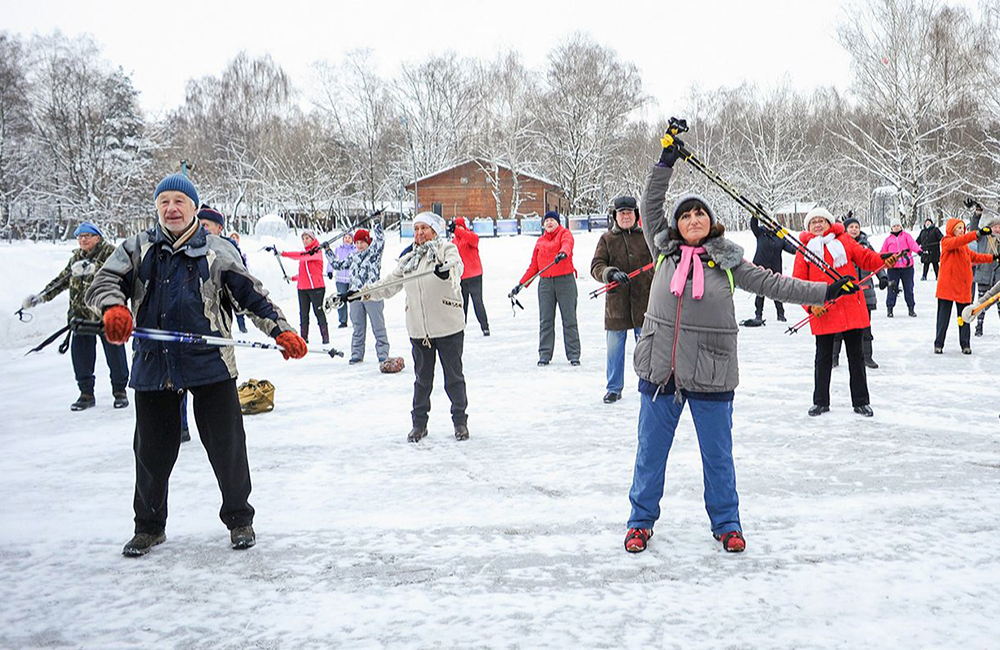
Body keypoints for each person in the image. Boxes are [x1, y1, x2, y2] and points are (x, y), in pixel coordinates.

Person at [623, 136, 848, 555]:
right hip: (661, 371)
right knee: (649, 455)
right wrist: (664, 162)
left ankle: (727, 524)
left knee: (719, 458)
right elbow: (651, 202)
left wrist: (824, 291)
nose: (692, 220)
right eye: (685, 215)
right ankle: (640, 522)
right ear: (677, 224)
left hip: (710, 371)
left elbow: (775, 283)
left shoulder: (729, 262)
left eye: (699, 214)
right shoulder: (664, 250)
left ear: (711, 222)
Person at [85, 172, 307, 557]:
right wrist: (114, 308)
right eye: (164, 201)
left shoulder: (216, 250)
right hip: (155, 364)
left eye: (179, 202)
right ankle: (149, 527)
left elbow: (252, 296)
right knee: (152, 452)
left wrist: (281, 331)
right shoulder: (137, 248)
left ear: (193, 207)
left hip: (210, 362)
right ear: (157, 208)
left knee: (228, 448)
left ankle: (240, 520)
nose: (171, 208)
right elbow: (105, 283)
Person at [357, 212, 468, 442]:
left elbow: (457, 265)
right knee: (422, 381)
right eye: (416, 229)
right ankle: (419, 425)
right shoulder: (408, 260)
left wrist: (445, 268)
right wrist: (362, 293)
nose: (419, 233)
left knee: (454, 379)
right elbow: (389, 284)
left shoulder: (445, 249)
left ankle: (460, 422)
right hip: (419, 330)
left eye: (424, 228)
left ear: (435, 230)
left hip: (447, 327)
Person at [793, 208, 895, 418]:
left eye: (822, 221)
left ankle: (861, 401)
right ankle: (820, 401)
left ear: (830, 223)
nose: (818, 225)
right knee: (823, 358)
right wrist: (811, 306)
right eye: (814, 222)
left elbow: (866, 258)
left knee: (856, 357)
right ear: (808, 227)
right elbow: (798, 283)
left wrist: (883, 259)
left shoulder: (845, 241)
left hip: (850, 307)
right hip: (824, 309)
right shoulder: (804, 249)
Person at [22, 221, 130, 411]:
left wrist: (96, 269)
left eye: (87, 236)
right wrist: (40, 298)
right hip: (80, 316)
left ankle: (120, 391)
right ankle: (86, 393)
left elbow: (123, 277)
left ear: (98, 238)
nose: (83, 240)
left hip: (107, 316)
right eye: (80, 237)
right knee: (81, 358)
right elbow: (61, 281)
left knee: (115, 356)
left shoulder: (111, 254)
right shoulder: (76, 259)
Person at [590, 195, 652, 403]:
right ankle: (614, 387)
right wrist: (610, 273)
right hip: (616, 305)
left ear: (636, 215)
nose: (626, 216)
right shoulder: (607, 239)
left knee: (646, 348)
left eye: (629, 212)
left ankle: (649, 384)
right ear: (615, 216)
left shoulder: (647, 237)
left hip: (644, 304)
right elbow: (596, 266)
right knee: (614, 349)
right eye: (621, 213)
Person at [510, 211, 580, 366]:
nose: (549, 223)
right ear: (543, 224)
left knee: (569, 319)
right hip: (545, 285)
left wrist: (563, 253)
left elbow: (567, 244)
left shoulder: (564, 234)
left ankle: (574, 354)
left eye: (552, 220)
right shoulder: (540, 242)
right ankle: (544, 354)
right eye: (546, 220)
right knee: (546, 320)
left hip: (565, 282)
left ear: (557, 222)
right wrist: (520, 285)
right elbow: (533, 267)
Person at [325, 222, 390, 364]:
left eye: (362, 242)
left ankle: (383, 354)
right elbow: (338, 265)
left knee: (378, 326)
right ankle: (357, 354)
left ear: (368, 242)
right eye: (357, 242)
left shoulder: (374, 254)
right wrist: (328, 251)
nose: (359, 245)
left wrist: (377, 223)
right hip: (354, 296)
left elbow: (380, 240)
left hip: (372, 294)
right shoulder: (353, 256)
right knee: (358, 328)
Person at [934, 217, 997, 354]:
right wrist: (977, 234)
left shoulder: (964, 247)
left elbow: (976, 257)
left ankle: (965, 344)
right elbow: (959, 241)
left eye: (963, 228)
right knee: (943, 318)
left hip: (962, 288)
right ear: (951, 229)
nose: (962, 231)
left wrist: (993, 258)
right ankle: (939, 343)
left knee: (964, 317)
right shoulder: (947, 242)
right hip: (948, 288)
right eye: (959, 228)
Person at [832, 216, 887, 369]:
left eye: (856, 227)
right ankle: (834, 357)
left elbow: (875, 261)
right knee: (839, 329)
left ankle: (867, 357)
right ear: (845, 229)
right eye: (851, 227)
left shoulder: (866, 245)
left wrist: (882, 277)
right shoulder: (838, 246)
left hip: (865, 293)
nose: (854, 229)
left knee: (865, 327)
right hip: (845, 294)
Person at [275, 231, 328, 344]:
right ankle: (304, 338)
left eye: (307, 238)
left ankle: (325, 338)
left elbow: (300, 257)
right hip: (303, 288)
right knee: (303, 314)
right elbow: (304, 273)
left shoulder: (316, 252)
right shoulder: (305, 254)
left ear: (312, 239)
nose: (305, 241)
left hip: (316, 288)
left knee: (318, 312)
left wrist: (283, 254)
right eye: (303, 238)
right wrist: (293, 278)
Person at [745, 213, 797, 325]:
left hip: (775, 268)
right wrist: (756, 214)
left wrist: (800, 250)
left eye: (773, 224)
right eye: (769, 224)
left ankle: (781, 315)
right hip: (760, 267)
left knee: (776, 292)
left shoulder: (780, 237)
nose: (770, 226)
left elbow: (791, 249)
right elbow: (753, 225)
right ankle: (758, 315)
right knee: (760, 292)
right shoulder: (760, 233)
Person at [449, 217, 490, 336]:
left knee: (478, 302)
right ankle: (461, 327)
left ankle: (485, 327)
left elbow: (471, 238)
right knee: (462, 304)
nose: (458, 230)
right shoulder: (453, 243)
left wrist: (457, 229)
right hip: (461, 277)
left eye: (460, 227)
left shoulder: (471, 238)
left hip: (474, 276)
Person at [879, 216, 921, 317]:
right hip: (893, 269)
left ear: (901, 226)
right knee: (891, 289)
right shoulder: (888, 240)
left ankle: (911, 308)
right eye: (894, 226)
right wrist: (881, 259)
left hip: (907, 268)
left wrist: (919, 251)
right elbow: (882, 251)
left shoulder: (906, 236)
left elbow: (913, 245)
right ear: (891, 228)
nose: (896, 227)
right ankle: (890, 309)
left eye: (898, 225)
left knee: (909, 288)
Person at [969, 203, 1000, 337]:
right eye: (995, 227)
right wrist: (977, 214)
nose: (997, 229)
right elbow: (973, 230)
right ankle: (979, 326)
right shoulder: (983, 237)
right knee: (982, 303)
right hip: (984, 275)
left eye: (999, 227)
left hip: (998, 276)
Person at [329, 233, 356, 329]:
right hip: (340, 279)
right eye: (345, 237)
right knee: (341, 300)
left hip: (352, 279)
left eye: (349, 238)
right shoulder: (338, 249)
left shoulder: (355, 250)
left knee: (353, 300)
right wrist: (330, 271)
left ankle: (355, 320)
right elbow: (332, 260)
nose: (347, 239)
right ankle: (343, 321)